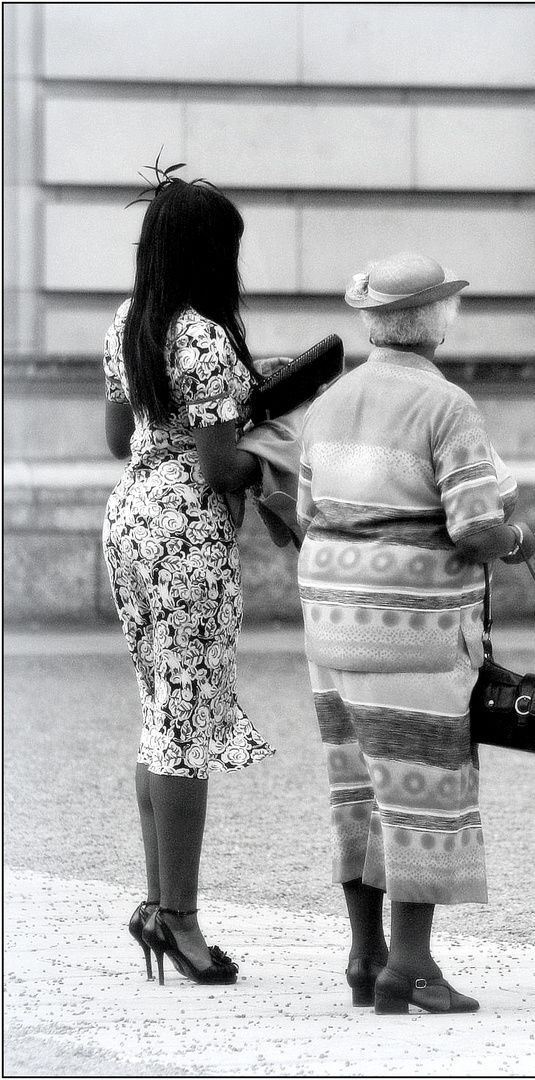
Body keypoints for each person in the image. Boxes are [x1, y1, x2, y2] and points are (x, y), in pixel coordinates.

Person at [296, 251, 535, 1014]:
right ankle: (412, 965)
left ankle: (365, 960)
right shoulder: (448, 408)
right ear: (436, 321)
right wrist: (518, 539)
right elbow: (473, 525)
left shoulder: (329, 403)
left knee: (358, 784)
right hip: (412, 625)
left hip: (331, 619)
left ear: (374, 322)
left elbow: (305, 513)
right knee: (421, 785)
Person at [102, 170, 276, 986]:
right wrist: (271, 455)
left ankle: (156, 903)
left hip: (132, 515)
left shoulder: (128, 324)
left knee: (161, 709)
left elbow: (117, 435)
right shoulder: (204, 337)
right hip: (182, 528)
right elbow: (218, 462)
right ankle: (179, 919)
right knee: (186, 722)